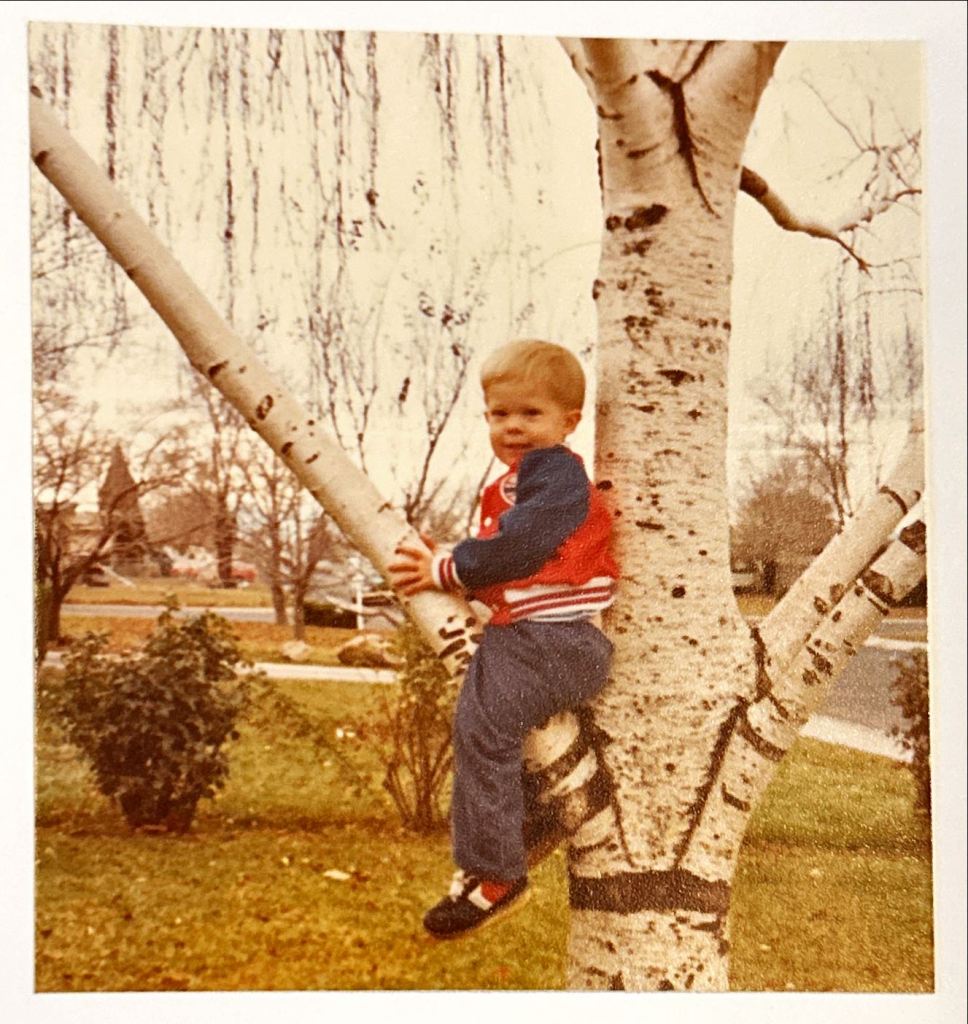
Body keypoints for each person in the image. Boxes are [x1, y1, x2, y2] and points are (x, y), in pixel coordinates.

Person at [389, 339, 618, 939]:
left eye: (530, 413)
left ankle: (495, 873)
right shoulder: (518, 482)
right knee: (487, 733)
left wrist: (447, 569)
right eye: (500, 414)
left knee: (484, 731)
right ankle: (525, 824)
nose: (513, 426)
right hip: (532, 637)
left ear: (568, 422)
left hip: (555, 641)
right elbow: (514, 566)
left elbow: (522, 549)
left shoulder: (558, 475)